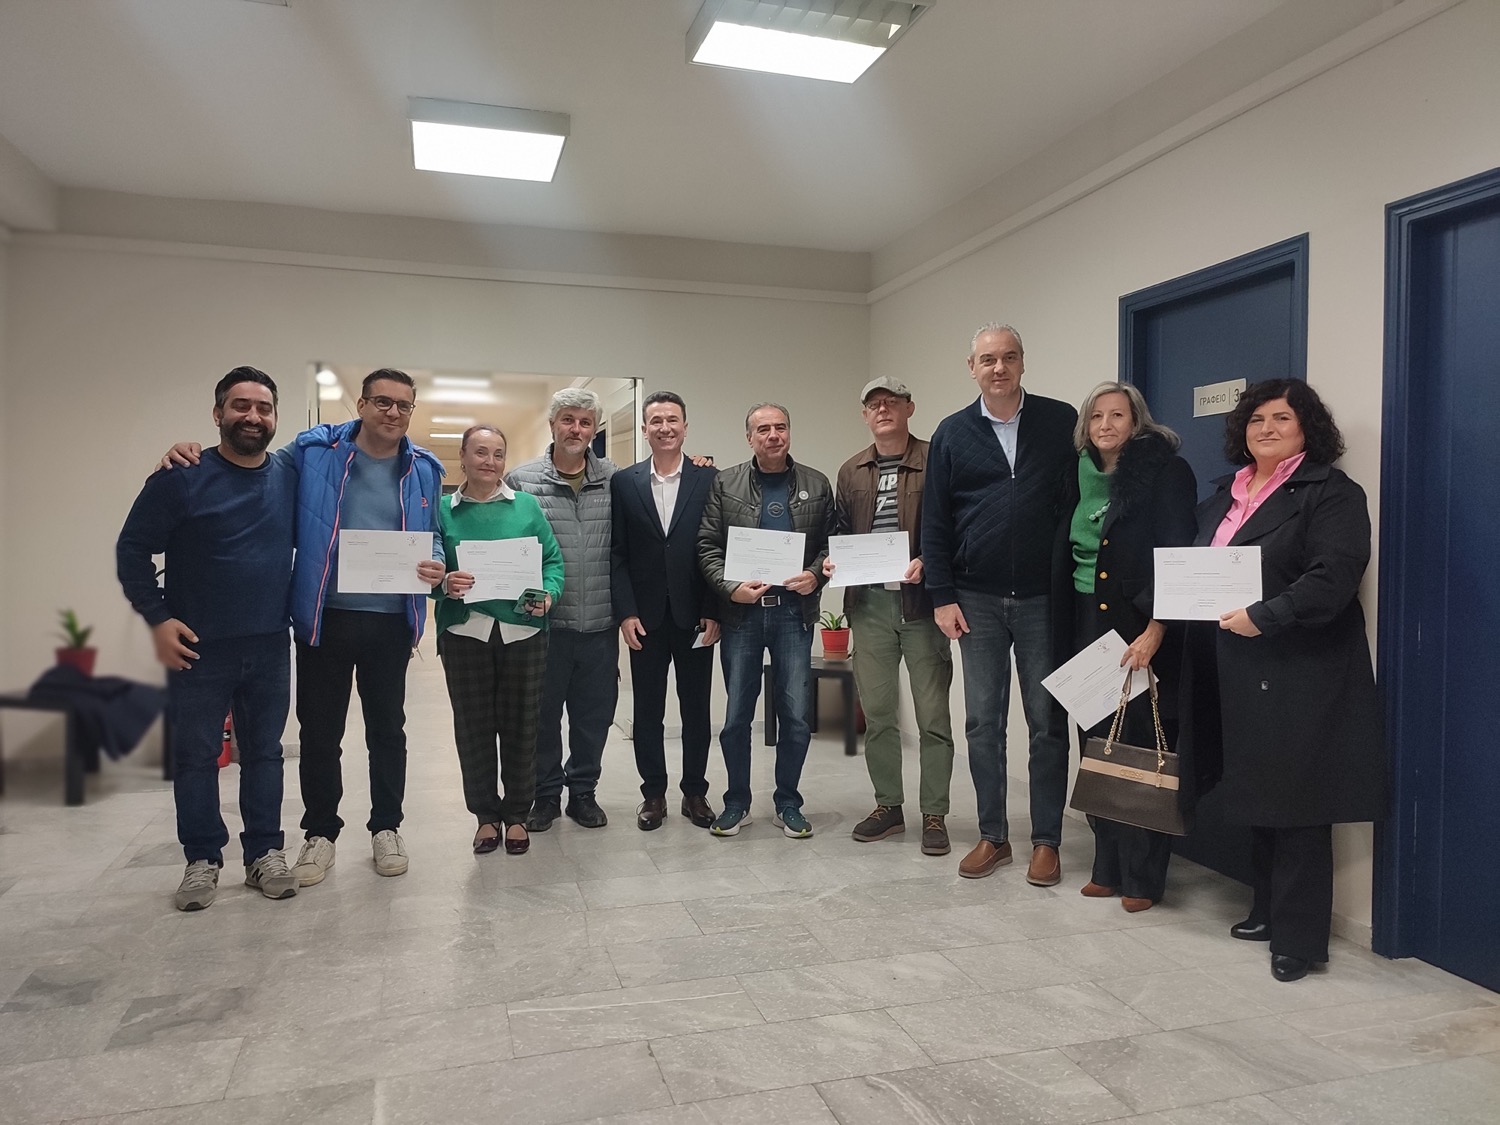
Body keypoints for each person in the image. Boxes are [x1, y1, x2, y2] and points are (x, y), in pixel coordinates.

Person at [161, 369, 445, 883]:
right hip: (323, 617)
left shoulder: (424, 466)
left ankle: (387, 828)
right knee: (320, 732)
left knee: (388, 731)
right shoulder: (315, 452)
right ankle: (320, 833)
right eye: (382, 401)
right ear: (362, 404)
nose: (393, 412)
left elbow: (434, 534)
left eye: (404, 405)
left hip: (391, 620)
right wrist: (192, 452)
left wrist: (437, 562)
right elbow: (252, 462)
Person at [1181, 378, 1387, 982]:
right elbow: (1200, 563)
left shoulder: (1332, 492)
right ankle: (1267, 909)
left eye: (1282, 419)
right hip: (1234, 663)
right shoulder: (1226, 493)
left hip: (1299, 663)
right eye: (1256, 420)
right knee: (1256, 787)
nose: (1266, 429)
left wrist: (1264, 617)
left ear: (1307, 430)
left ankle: (1299, 938)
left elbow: (1334, 576)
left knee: (1299, 799)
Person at [118, 367, 298, 910]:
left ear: (275, 418)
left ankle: (264, 853)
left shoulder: (289, 475)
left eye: (263, 408)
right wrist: (157, 617)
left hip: (270, 643)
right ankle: (202, 859)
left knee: (264, 754)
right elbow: (132, 550)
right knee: (196, 757)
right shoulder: (181, 477)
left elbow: (346, 439)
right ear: (218, 413)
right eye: (240, 405)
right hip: (199, 647)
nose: (253, 416)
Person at [922, 323, 1077, 882]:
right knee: (982, 724)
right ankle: (994, 836)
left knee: (1047, 723)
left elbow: (1077, 500)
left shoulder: (1060, 421)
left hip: (1042, 600)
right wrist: (942, 597)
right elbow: (935, 521)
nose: (999, 368)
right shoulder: (951, 432)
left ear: (1022, 362)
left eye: (1009, 357)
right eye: (988, 359)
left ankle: (1046, 841)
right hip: (976, 599)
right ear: (972, 368)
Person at [1050, 381, 1196, 911]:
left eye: (1117, 415)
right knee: (1098, 742)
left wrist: (1157, 628)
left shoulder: (1165, 472)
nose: (1106, 425)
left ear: (1137, 422)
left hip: (1138, 624)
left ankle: (1143, 878)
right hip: (1084, 621)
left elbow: (1179, 554)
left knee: (1141, 746)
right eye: (1096, 416)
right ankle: (1106, 865)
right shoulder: (1076, 474)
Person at [826, 377, 955, 857]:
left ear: (909, 408)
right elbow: (841, 530)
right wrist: (833, 560)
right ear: (865, 415)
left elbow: (952, 526)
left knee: (932, 716)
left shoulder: (935, 459)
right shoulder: (850, 470)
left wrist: (930, 562)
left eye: (892, 402)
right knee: (879, 715)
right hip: (869, 607)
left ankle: (935, 812)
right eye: (874, 404)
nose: (882, 410)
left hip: (920, 605)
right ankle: (888, 807)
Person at [698, 402, 834, 839]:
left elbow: (831, 544)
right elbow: (707, 545)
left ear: (789, 432)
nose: (773, 435)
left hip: (793, 614)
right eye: (763, 429)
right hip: (742, 615)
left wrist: (814, 575)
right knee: (737, 716)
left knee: (795, 715)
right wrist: (729, 588)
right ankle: (736, 802)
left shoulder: (816, 483)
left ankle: (788, 803)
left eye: (780, 427)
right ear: (749, 437)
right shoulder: (726, 483)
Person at [433, 425, 563, 856]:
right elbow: (429, 568)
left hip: (523, 632)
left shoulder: (526, 506)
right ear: (463, 457)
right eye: (481, 452)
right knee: (473, 729)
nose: (490, 461)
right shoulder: (443, 511)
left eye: (498, 454)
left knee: (523, 727)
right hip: (464, 632)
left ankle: (517, 814)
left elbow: (552, 561)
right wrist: (444, 584)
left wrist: (549, 594)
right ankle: (485, 816)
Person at [506, 389, 618, 832]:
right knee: (542, 717)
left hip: (601, 624)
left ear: (594, 429)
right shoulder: (522, 481)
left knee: (594, 718)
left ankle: (583, 793)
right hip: (544, 626)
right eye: (568, 420)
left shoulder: (616, 479)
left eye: (585, 422)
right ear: (553, 424)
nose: (576, 429)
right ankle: (546, 795)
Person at [611, 391, 721, 831]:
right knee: (648, 712)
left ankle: (695, 792)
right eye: (655, 421)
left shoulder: (709, 479)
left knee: (696, 710)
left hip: (696, 616)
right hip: (646, 619)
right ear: (644, 430)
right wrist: (625, 612)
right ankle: (653, 794)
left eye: (672, 419)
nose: (665, 427)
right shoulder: (625, 482)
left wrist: (714, 609)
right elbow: (618, 553)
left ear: (685, 427)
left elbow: (719, 547)